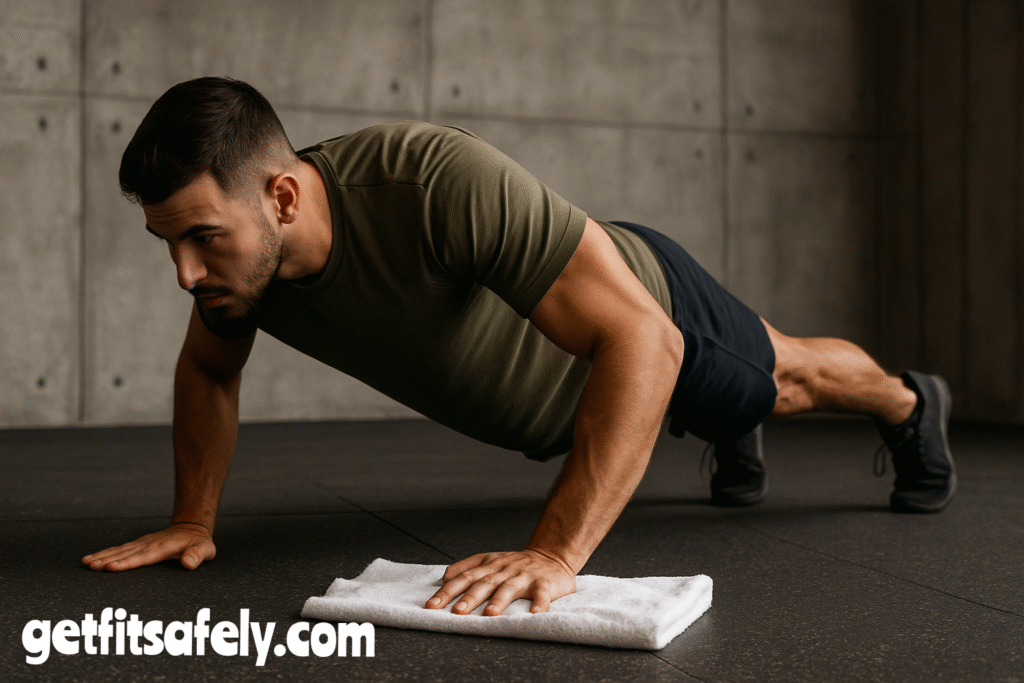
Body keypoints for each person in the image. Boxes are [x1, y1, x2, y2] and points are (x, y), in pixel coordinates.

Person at [82, 77, 956, 617]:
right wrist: (193, 517)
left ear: (279, 197)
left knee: (786, 379)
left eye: (200, 237)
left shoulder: (426, 182)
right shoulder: (243, 273)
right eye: (168, 244)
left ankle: (910, 402)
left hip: (647, 313)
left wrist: (556, 553)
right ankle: (726, 430)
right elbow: (207, 368)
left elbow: (639, 339)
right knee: (720, 396)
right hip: (581, 387)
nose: (185, 274)